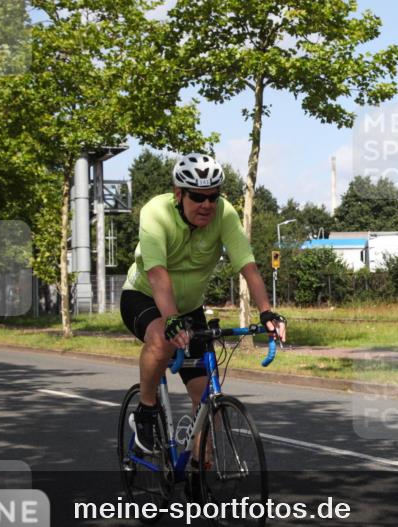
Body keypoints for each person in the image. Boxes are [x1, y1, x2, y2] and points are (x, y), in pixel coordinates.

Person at [120, 153, 286, 454]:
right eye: (197, 197)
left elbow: (247, 265)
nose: (207, 204)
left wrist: (266, 312)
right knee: (161, 339)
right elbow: (157, 274)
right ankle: (145, 410)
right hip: (143, 296)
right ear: (178, 194)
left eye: (213, 196)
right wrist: (170, 320)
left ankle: (199, 478)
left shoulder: (224, 214)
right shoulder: (156, 213)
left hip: (189, 308)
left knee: (206, 405)